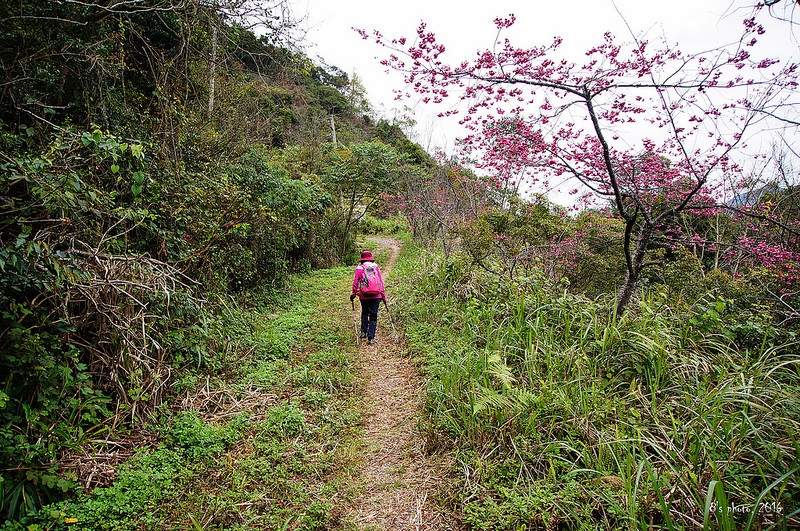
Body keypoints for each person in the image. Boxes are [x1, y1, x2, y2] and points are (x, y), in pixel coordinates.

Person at [350, 250, 386, 345]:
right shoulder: (376, 267)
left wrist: (353, 294)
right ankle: (371, 337)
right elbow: (381, 282)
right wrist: (383, 296)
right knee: (373, 316)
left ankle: (363, 331)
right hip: (376, 295)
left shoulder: (359, 268)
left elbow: (355, 284)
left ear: (361, 258)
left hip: (364, 296)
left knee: (365, 312)